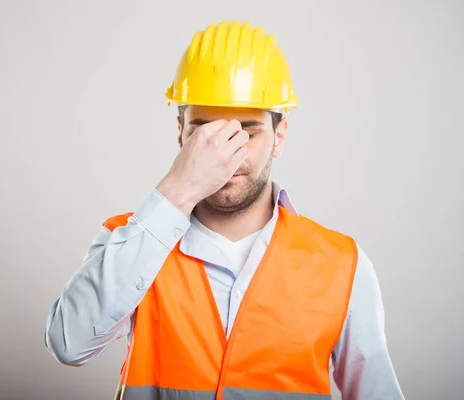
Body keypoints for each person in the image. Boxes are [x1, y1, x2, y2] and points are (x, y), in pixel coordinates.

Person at [44, 20, 405, 400]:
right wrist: (178, 188)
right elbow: (69, 343)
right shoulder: (130, 240)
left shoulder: (342, 264)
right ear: (180, 135)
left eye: (246, 131)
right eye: (203, 131)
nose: (224, 152)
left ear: (279, 138)